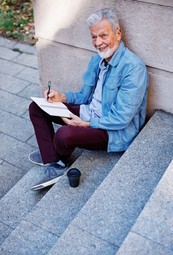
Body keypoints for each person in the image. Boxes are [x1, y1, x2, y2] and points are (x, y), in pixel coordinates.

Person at [29, 8, 149, 190]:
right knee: (37, 107)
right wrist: (61, 97)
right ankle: (52, 157)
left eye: (103, 35)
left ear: (118, 34)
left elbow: (122, 118)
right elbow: (84, 96)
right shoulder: (97, 61)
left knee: (64, 134)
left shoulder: (133, 68)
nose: (98, 42)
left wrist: (86, 124)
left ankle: (58, 164)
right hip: (89, 113)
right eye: (94, 37)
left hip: (112, 130)